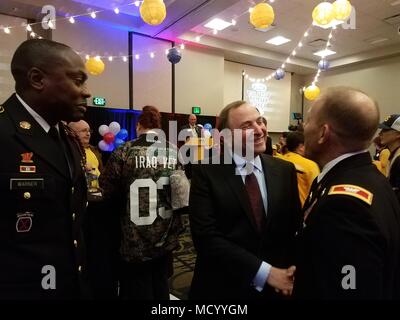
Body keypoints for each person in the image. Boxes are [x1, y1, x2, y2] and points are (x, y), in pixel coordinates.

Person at [0, 39, 91, 299]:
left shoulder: (66, 135)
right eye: (77, 80)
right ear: (38, 79)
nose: (86, 91)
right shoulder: (3, 132)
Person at [294, 86, 400, 299]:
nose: (304, 128)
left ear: (323, 133)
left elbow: (347, 291)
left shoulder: (344, 206)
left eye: (308, 121)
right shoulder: (370, 178)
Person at [189, 100, 302, 299]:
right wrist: (266, 273)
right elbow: (206, 238)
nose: (259, 130)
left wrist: (291, 270)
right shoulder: (206, 172)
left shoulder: (285, 170)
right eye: (247, 126)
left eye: (260, 121)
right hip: (223, 288)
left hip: (276, 289)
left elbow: (292, 228)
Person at [100, 105, 188, 300]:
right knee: (160, 286)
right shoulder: (173, 151)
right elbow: (182, 197)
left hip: (133, 238)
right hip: (165, 235)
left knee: (136, 288)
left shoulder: (125, 150)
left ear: (139, 125)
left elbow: (106, 189)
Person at [282, 131, 320, 207]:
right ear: (301, 147)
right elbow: (317, 192)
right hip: (301, 211)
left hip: (279, 210)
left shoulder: (277, 161)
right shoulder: (310, 165)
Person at [378, 115, 400, 202]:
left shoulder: (399, 159)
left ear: (398, 134)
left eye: (386, 130)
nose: (380, 133)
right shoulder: (394, 154)